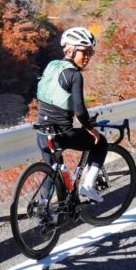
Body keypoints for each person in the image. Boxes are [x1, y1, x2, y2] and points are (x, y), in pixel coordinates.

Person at [35, 27, 108, 202]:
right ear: (70, 50)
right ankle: (88, 187)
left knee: (51, 169)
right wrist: (92, 130)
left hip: (42, 133)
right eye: (84, 51)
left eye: (90, 52)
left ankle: (43, 209)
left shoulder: (52, 65)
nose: (87, 57)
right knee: (101, 142)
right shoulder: (74, 75)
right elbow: (80, 112)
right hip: (62, 134)